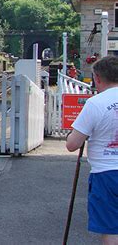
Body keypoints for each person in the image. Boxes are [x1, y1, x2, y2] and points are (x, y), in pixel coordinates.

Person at [66, 55, 118, 244]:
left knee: (112, 229)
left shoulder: (96, 103)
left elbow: (73, 144)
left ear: (97, 78)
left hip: (106, 175)